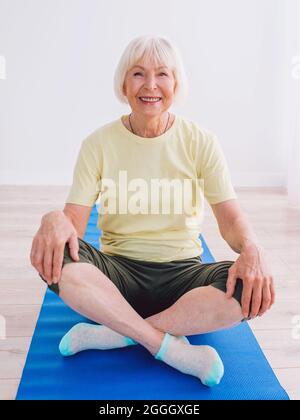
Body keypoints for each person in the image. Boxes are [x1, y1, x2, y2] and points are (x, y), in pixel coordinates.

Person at [30, 35, 275, 387]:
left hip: (183, 277)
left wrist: (253, 247)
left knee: (247, 291)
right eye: (137, 74)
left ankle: (115, 333)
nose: (150, 85)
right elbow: (74, 226)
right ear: (123, 84)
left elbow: (231, 219)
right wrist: (51, 219)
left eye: (162, 74)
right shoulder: (97, 144)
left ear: (176, 83)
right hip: (117, 274)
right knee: (55, 262)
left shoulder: (201, 141)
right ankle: (170, 347)